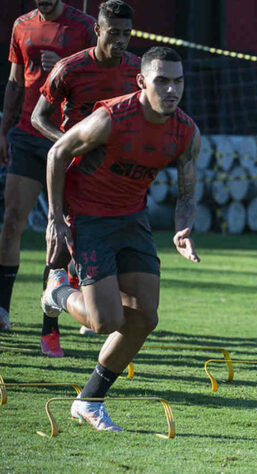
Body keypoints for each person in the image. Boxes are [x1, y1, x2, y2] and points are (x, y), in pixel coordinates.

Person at [41, 46, 200, 431]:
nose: (172, 90)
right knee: (105, 321)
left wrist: (183, 227)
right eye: (162, 81)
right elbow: (58, 152)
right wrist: (55, 217)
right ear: (142, 81)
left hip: (132, 220)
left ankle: (90, 400)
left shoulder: (186, 131)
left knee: (144, 317)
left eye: (178, 81)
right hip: (90, 217)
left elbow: (186, 193)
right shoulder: (111, 117)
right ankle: (58, 291)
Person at [32, 0, 139, 342]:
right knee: (60, 248)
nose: (120, 40)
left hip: (117, 178)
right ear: (97, 30)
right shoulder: (70, 68)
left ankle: (95, 309)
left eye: (126, 33)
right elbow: (38, 117)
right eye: (113, 32)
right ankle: (49, 328)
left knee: (112, 246)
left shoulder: (137, 70)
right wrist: (73, 145)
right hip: (74, 171)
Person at [0, 0, 95, 357]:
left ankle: (81, 306)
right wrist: (3, 130)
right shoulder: (21, 25)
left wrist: (66, 70)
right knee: (12, 222)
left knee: (73, 229)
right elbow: (13, 82)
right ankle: (3, 309)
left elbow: (97, 78)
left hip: (68, 138)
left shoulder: (85, 25)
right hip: (26, 136)